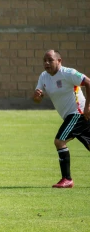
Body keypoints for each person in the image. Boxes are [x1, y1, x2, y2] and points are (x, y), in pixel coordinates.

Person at [33, 50, 90, 188]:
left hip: (78, 113)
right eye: (44, 60)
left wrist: (88, 107)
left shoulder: (68, 73)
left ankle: (67, 179)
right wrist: (37, 96)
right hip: (71, 116)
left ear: (59, 61)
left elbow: (88, 82)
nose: (46, 63)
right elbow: (36, 100)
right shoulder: (44, 76)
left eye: (50, 60)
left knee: (59, 141)